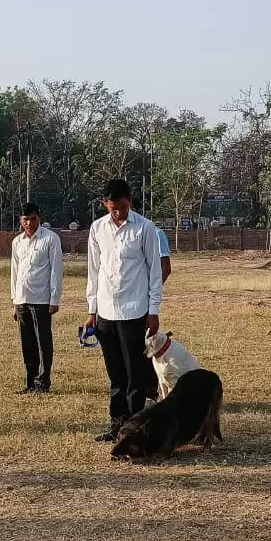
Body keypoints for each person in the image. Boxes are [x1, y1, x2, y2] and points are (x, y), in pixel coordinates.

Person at [85, 179, 163, 441]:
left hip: (135, 311)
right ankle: (116, 425)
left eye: (122, 207)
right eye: (112, 208)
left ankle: (135, 427)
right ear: (105, 204)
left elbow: (154, 271)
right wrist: (91, 310)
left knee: (135, 374)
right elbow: (93, 272)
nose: (117, 212)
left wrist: (153, 310)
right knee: (115, 373)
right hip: (106, 311)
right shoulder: (97, 229)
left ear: (130, 201)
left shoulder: (145, 229)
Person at [10, 202, 63, 394]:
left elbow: (56, 270)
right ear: (20, 220)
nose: (29, 223)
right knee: (28, 343)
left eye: (32, 219)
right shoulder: (17, 242)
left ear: (38, 217)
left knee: (43, 342)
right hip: (22, 298)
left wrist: (54, 299)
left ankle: (43, 382)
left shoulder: (50, 239)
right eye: (25, 219)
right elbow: (14, 272)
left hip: (42, 299)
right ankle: (30, 381)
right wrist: (14, 300)